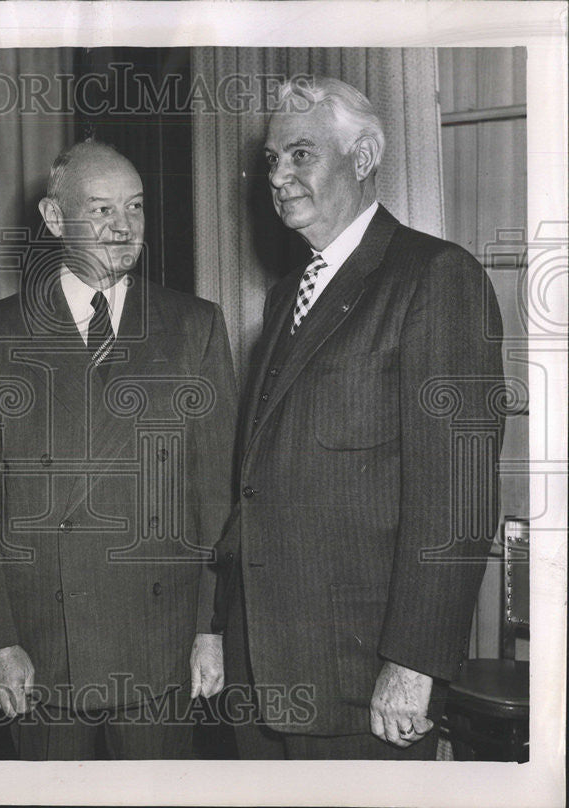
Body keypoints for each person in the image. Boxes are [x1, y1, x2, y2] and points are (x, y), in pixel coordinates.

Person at [217, 77, 506, 760]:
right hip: (263, 674)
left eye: (300, 155)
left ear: (365, 155)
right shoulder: (288, 294)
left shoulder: (436, 278)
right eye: (270, 160)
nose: (278, 177)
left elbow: (458, 495)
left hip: (362, 683)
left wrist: (414, 663)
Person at [0, 141, 236, 759]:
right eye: (101, 211)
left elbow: (216, 497)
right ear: (54, 220)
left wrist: (211, 630)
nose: (123, 227)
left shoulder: (195, 326)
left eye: (133, 208)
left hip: (162, 642)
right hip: (43, 646)